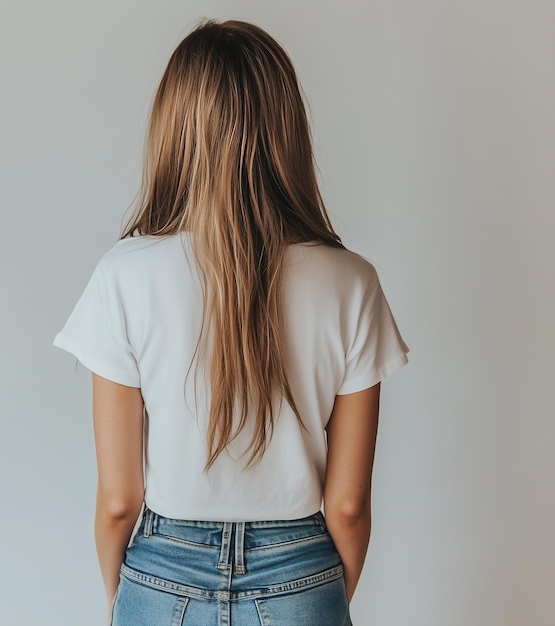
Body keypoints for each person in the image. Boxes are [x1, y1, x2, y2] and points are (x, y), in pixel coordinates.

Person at [53, 17, 409, 626]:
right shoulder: (353, 282)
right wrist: (318, 598)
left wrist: (125, 599)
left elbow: (119, 502)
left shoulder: (123, 275)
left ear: (173, 130)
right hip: (301, 574)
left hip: (163, 577)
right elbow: (347, 505)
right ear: (285, 131)